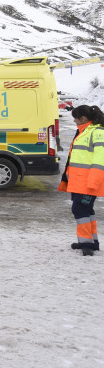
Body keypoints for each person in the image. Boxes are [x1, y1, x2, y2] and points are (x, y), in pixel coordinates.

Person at [58, 104, 104, 256]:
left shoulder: (96, 133)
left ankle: (87, 245)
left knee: (79, 209)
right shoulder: (84, 132)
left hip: (88, 183)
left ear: (83, 118)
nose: (74, 122)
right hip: (80, 182)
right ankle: (92, 242)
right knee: (86, 210)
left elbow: (100, 160)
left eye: (75, 119)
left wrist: (93, 183)